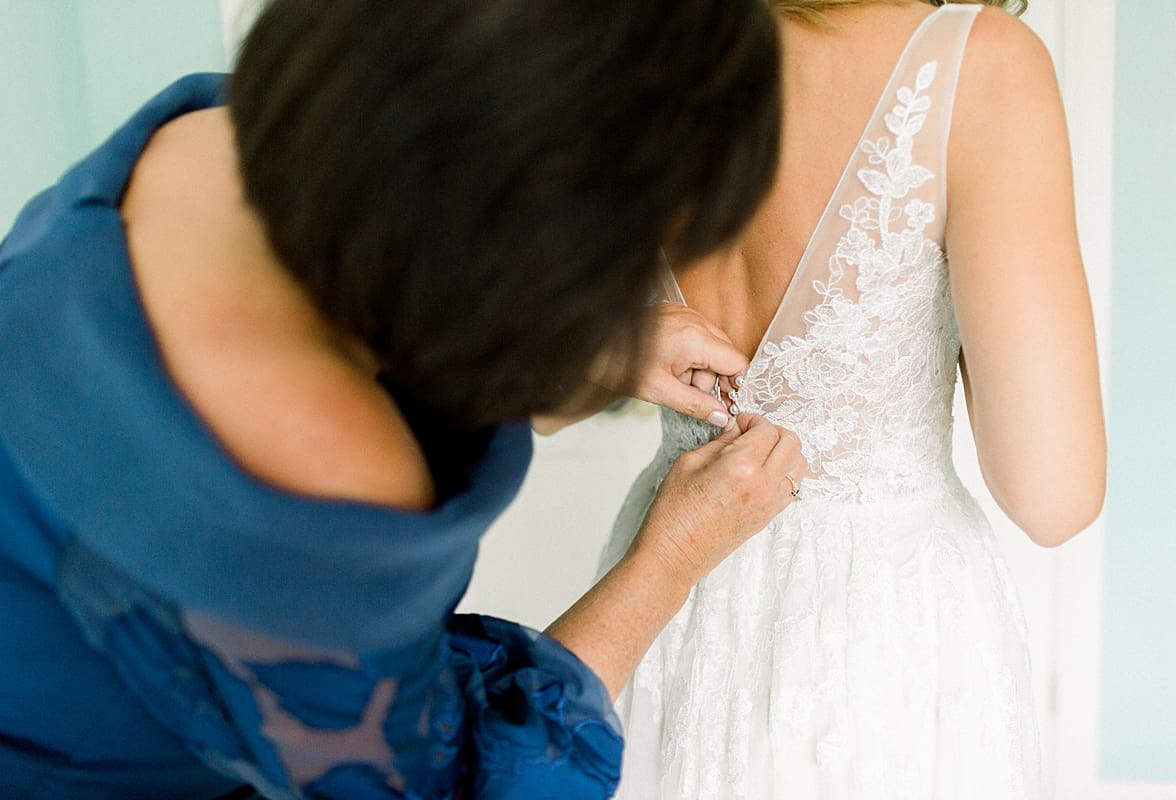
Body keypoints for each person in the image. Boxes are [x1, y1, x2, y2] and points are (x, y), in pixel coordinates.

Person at [0, 1, 801, 798]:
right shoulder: (332, 466)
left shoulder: (209, 137)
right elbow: (453, 784)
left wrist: (581, 339)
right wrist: (668, 560)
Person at [591, 1, 1107, 797]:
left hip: (664, 593)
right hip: (881, 639)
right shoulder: (981, 65)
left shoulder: (623, 53)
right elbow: (1054, 495)